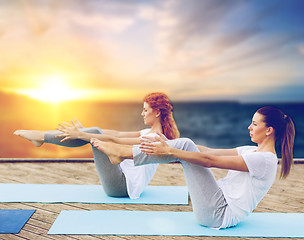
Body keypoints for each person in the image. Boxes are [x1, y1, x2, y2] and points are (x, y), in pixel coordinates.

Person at [90, 106, 295, 229]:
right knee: (185, 144)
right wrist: (169, 143)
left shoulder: (265, 160)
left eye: (255, 124)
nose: (249, 127)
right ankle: (122, 153)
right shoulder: (252, 151)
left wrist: (171, 151)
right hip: (216, 203)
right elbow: (208, 151)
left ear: (269, 130)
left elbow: (209, 161)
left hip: (220, 214)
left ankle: (122, 153)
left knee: (184, 146)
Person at [14, 92, 180, 199]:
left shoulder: (156, 138)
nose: (142, 113)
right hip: (122, 179)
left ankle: (41, 137)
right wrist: (84, 131)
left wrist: (82, 134)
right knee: (94, 131)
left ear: (157, 112)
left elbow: (116, 141)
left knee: (93, 134)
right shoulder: (147, 132)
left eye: (145, 110)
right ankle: (42, 138)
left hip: (121, 187)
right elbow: (116, 133)